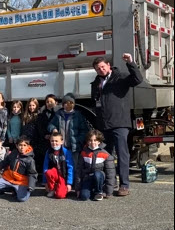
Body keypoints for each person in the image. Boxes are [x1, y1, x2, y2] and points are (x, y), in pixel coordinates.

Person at [91, 54, 143, 196]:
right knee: (106, 156)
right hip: (103, 125)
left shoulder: (119, 77)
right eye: (97, 69)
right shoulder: (96, 82)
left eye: (102, 67)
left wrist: (130, 63)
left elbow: (138, 79)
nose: (101, 70)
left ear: (108, 65)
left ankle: (124, 185)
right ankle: (110, 182)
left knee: (122, 155)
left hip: (119, 123)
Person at [0, 136, 37, 202]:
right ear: (16, 146)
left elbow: (32, 173)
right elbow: (6, 160)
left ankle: (22, 191)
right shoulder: (14, 153)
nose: (22, 147)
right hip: (10, 178)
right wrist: (0, 165)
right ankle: (12, 189)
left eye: (24, 145)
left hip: (21, 182)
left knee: (22, 199)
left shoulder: (30, 160)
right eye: (20, 145)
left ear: (28, 146)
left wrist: (31, 186)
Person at [47, 93, 89, 169]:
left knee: (73, 166)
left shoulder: (78, 115)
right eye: (66, 103)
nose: (68, 105)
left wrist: (78, 140)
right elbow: (50, 125)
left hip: (73, 147)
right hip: (61, 147)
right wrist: (53, 129)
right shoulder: (58, 115)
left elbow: (84, 130)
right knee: (61, 166)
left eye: (70, 103)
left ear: (73, 104)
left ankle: (74, 181)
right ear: (63, 105)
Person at [75, 130, 116, 201]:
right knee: (84, 197)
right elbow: (79, 170)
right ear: (87, 141)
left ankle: (99, 192)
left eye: (95, 140)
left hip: (100, 178)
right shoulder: (84, 153)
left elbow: (110, 174)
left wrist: (108, 192)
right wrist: (78, 189)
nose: (92, 142)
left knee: (97, 174)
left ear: (99, 141)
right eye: (90, 140)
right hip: (88, 178)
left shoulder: (105, 154)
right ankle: (92, 190)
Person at [43, 132, 74, 199]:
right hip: (54, 174)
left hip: (63, 175)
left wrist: (69, 183)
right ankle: (52, 189)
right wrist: (45, 182)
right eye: (52, 141)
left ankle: (60, 187)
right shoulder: (48, 152)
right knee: (48, 172)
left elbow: (70, 167)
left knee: (60, 195)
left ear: (61, 142)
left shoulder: (66, 152)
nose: (54, 143)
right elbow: (45, 166)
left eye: (56, 141)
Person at [35, 94, 59, 173]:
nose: (49, 103)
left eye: (51, 101)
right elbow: (39, 127)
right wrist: (45, 135)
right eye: (47, 102)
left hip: (56, 140)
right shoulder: (41, 115)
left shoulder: (59, 114)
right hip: (44, 139)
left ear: (56, 103)